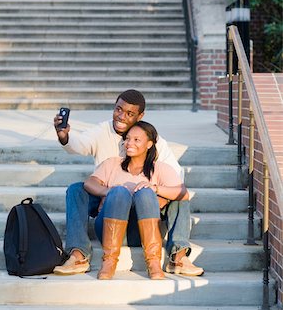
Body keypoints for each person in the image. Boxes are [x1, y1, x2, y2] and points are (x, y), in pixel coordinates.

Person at [53, 89, 203, 277]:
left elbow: (178, 184)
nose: (122, 116)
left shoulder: (156, 149)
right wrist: (64, 137)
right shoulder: (107, 146)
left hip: (144, 215)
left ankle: (179, 256)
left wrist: (153, 197)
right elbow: (80, 146)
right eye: (118, 110)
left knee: (177, 197)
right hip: (109, 206)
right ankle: (79, 254)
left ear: (140, 116)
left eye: (130, 113)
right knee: (77, 190)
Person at [84, 121, 187, 280]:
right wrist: (108, 192)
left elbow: (183, 194)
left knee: (145, 191)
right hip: (108, 230)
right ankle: (109, 261)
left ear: (149, 144)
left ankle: (153, 263)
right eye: (127, 139)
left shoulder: (160, 168)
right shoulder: (113, 163)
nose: (129, 143)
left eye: (136, 140)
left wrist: (155, 189)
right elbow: (89, 183)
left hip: (142, 233)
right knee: (119, 191)